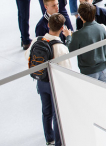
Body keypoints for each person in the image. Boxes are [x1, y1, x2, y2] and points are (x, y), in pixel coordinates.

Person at [25, 13, 72, 146]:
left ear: (48, 25)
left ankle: (49, 138)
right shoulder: (61, 48)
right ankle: (59, 142)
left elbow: (26, 56)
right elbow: (67, 70)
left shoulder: (36, 41)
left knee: (46, 111)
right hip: (54, 85)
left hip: (40, 81)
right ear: (62, 28)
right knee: (57, 114)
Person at [68, 2, 106, 82]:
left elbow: (70, 50)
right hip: (103, 69)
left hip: (88, 72)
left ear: (81, 17)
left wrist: (68, 36)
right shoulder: (102, 28)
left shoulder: (77, 34)